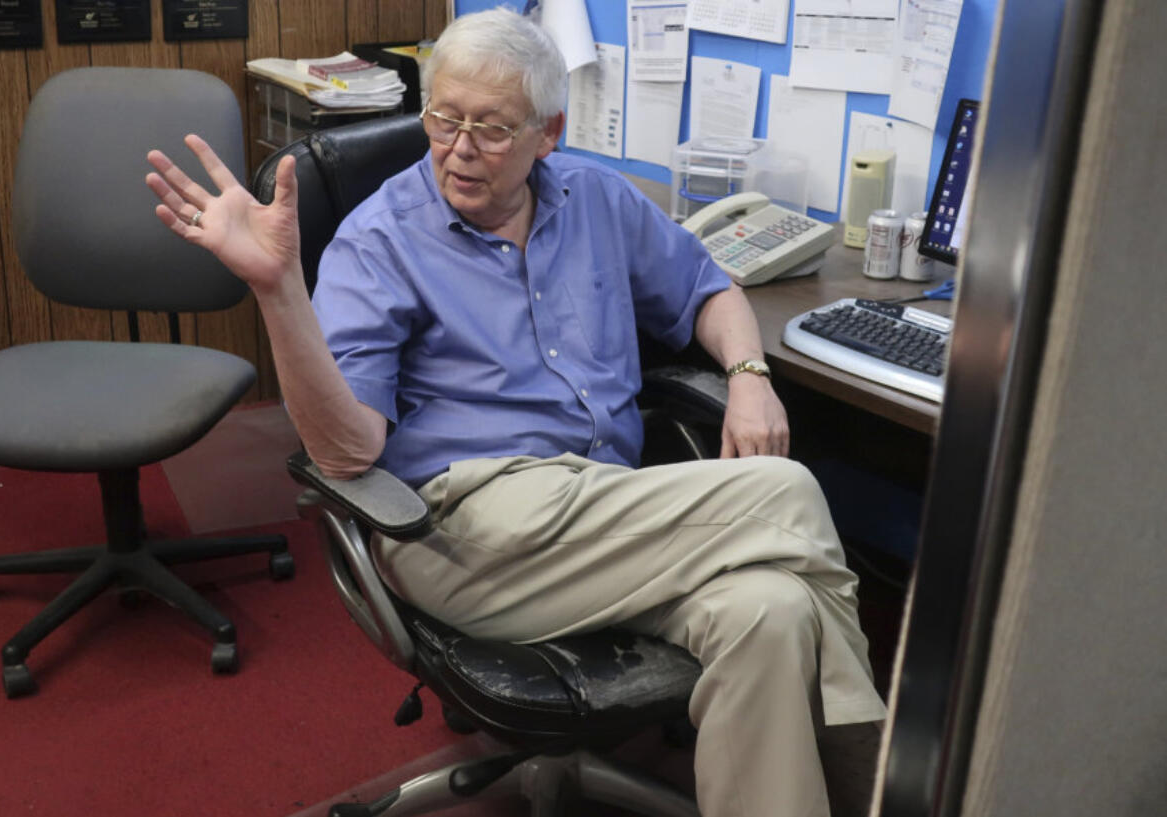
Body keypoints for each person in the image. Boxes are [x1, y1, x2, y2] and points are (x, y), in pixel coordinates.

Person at [145, 8, 886, 816]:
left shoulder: (599, 200)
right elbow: (347, 452)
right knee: (785, 493)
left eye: (492, 129)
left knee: (770, 614)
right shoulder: (379, 241)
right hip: (465, 528)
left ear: (549, 132)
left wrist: (749, 376)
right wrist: (278, 291)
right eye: (443, 119)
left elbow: (709, 286)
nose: (459, 148)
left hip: (606, 521)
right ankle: (880, 776)